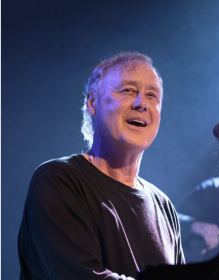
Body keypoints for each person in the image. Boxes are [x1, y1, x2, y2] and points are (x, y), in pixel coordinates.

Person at [18, 52, 185, 280]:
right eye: (128, 90)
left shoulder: (164, 207)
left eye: (152, 95)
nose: (141, 103)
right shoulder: (57, 180)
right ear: (92, 103)